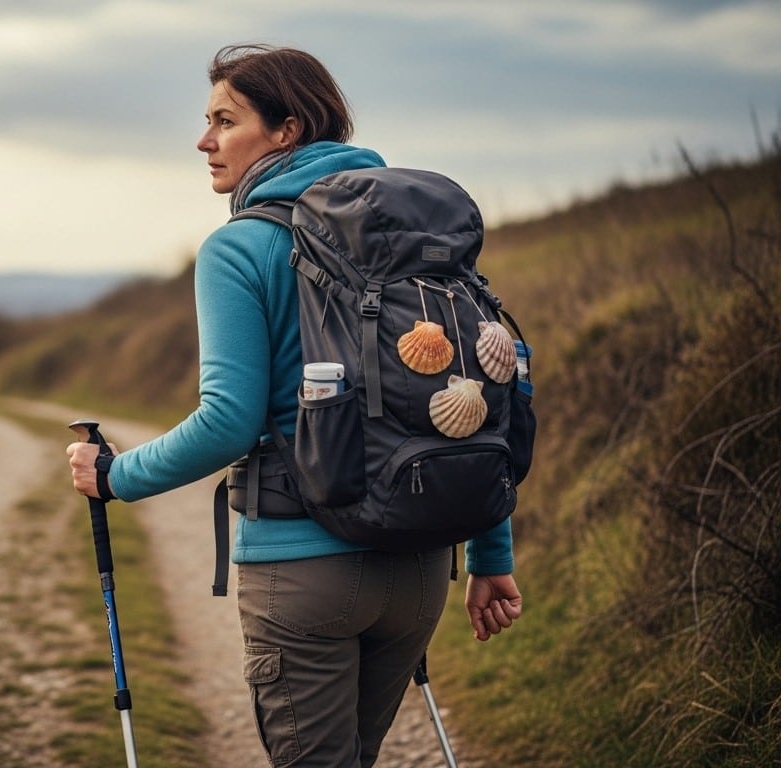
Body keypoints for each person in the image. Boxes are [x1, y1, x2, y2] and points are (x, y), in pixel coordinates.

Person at [66, 44, 524, 767]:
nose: (204, 140)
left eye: (224, 120)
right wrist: (492, 555)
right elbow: (490, 388)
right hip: (423, 567)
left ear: (287, 130)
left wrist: (115, 475)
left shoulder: (239, 248)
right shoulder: (417, 236)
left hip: (304, 572)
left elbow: (228, 420)